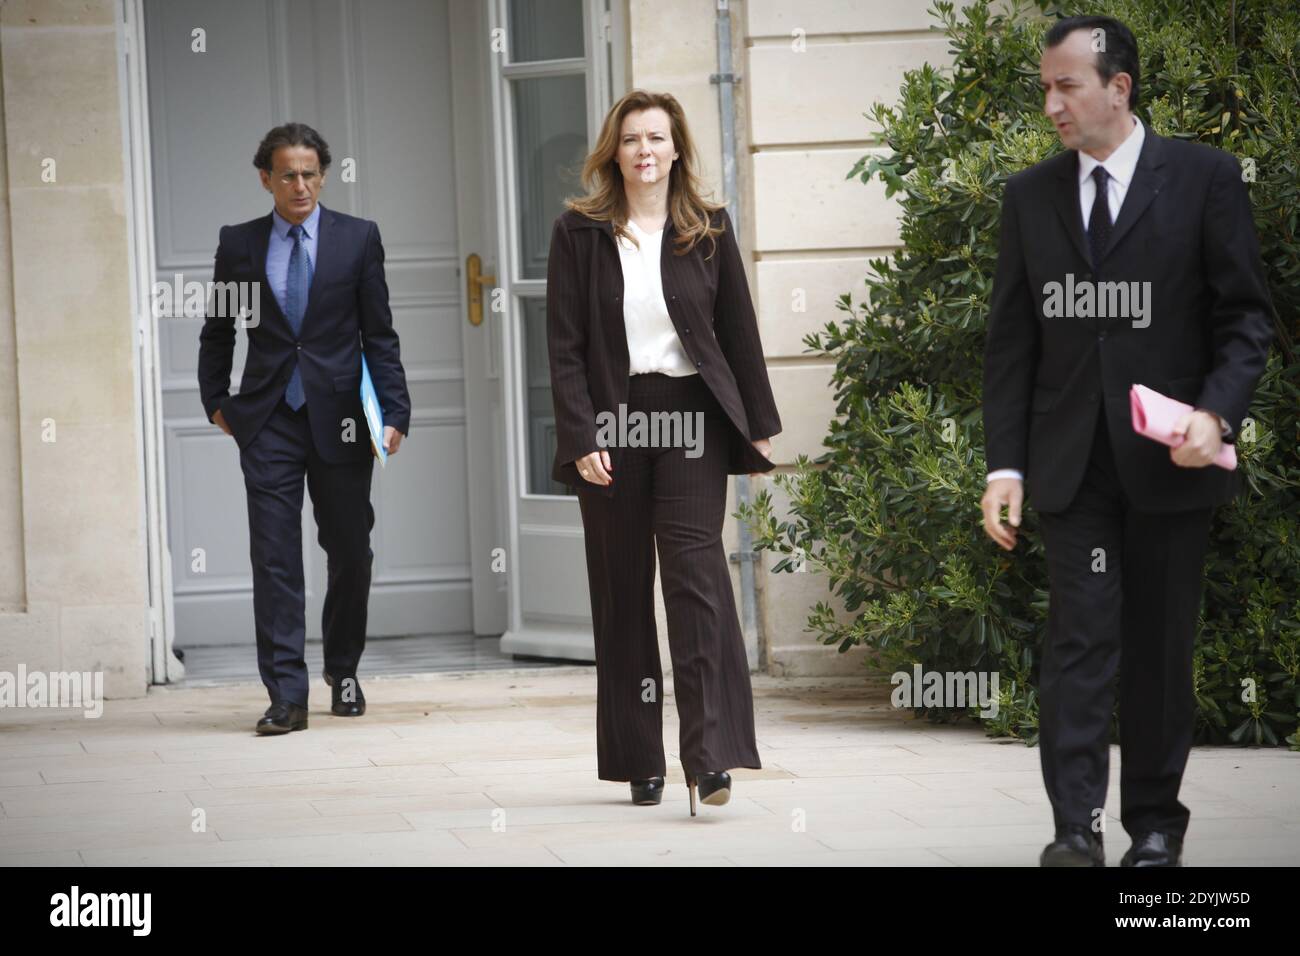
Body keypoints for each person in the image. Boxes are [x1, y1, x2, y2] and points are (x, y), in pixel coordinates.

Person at [981, 17, 1273, 865]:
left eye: (1066, 85)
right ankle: (1076, 831)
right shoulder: (1029, 196)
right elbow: (1011, 344)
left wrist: (1217, 414)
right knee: (1078, 644)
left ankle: (1154, 829)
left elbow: (1245, 316)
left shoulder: (1206, 179)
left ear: (1120, 87)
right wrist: (1006, 465)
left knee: (1158, 648)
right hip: (1072, 466)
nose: (1051, 104)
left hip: (1171, 462)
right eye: (1046, 86)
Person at [546, 90, 782, 815]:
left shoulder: (707, 228)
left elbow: (737, 326)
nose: (644, 150)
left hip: (690, 418)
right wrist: (582, 435)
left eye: (657, 137)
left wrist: (758, 420)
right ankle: (637, 759)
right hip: (614, 420)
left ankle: (708, 758)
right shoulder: (578, 232)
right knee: (621, 592)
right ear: (612, 153)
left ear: (677, 148)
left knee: (696, 577)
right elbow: (564, 347)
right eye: (630, 139)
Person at [198, 122, 411, 734]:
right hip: (267, 420)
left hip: (342, 419)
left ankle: (342, 668)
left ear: (325, 176)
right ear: (265, 178)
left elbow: (380, 335)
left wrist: (393, 411)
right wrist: (216, 399)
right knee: (274, 556)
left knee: (349, 549)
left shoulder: (357, 239)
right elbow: (220, 329)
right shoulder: (238, 244)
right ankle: (286, 695)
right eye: (287, 174)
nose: (300, 185)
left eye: (310, 173)